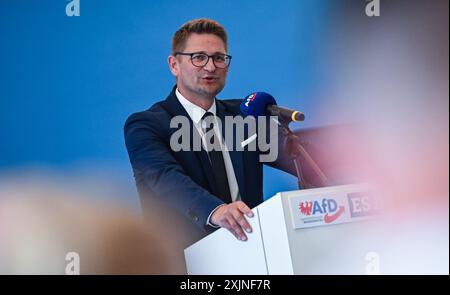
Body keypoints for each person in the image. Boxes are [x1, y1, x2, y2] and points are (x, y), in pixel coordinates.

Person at [124, 18, 296, 245]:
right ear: (174, 65)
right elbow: (166, 177)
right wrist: (216, 211)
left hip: (253, 252)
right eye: (198, 57)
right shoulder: (145, 125)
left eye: (218, 58)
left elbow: (297, 156)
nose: (211, 66)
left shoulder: (245, 115)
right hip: (184, 264)